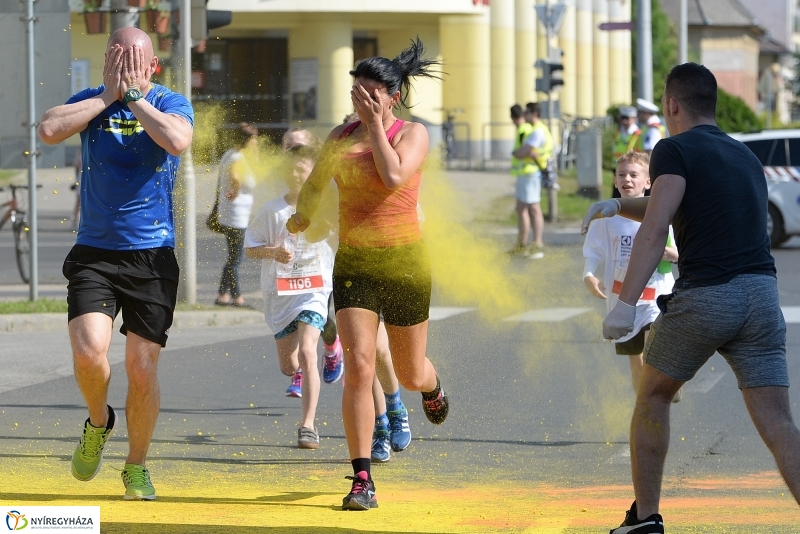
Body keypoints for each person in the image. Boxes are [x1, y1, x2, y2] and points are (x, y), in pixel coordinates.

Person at [582, 62, 800, 533]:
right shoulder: (742, 155)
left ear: (672, 104)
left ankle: (644, 518)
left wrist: (625, 305)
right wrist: (619, 205)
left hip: (708, 297)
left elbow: (658, 223)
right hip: (762, 297)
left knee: (653, 396)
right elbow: (675, 200)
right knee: (780, 424)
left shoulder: (672, 148)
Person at [286, 37, 449, 511]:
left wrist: (376, 125)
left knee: (410, 372)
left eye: (371, 92)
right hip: (356, 262)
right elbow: (314, 186)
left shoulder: (411, 133)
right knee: (359, 365)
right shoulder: (339, 138)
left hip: (405, 263)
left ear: (391, 95)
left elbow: (395, 176)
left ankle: (432, 387)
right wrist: (303, 214)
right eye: (357, 90)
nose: (362, 98)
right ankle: (362, 479)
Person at [37, 27, 193, 500]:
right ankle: (99, 422)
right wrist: (108, 95)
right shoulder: (91, 100)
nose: (124, 67)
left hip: (152, 254)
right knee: (89, 353)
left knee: (142, 368)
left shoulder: (170, 101)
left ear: (152, 67)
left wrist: (134, 99)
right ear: (106, 61)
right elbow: (47, 129)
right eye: (115, 59)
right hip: (95, 252)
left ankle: (136, 465)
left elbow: (178, 142)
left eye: (133, 61)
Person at [245, 145, 336, 449]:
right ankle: (318, 344)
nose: (298, 174)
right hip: (281, 294)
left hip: (314, 291)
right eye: (293, 168)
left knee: (310, 353)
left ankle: (307, 425)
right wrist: (274, 252)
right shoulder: (272, 210)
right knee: (289, 366)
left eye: (305, 169)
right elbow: (250, 247)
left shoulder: (325, 206)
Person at [582, 151, 678, 395]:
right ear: (615, 182)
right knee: (635, 361)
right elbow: (593, 250)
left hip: (656, 297)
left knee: (652, 351)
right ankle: (645, 404)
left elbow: (681, 252)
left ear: (648, 182)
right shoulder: (607, 218)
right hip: (623, 299)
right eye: (622, 175)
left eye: (634, 175)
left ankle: (661, 390)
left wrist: (670, 254)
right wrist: (589, 274)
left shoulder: (663, 216)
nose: (628, 179)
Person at [277, 128, 344, 397]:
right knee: (294, 319)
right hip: (290, 265)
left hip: (321, 263)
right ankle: (300, 370)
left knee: (318, 318)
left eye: (297, 146)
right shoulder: (282, 179)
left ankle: (327, 350)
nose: (290, 151)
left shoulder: (324, 182)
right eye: (286, 146)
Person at [214, 123, 258, 308]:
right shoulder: (237, 157)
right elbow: (235, 176)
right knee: (236, 258)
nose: (256, 144)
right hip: (236, 216)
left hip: (230, 213)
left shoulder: (228, 154)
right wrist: (236, 190)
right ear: (247, 141)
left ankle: (223, 295)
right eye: (254, 140)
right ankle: (237, 297)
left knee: (233, 256)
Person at [510, 102, 554, 259]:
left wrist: (517, 152)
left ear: (534, 113)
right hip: (528, 173)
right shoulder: (537, 130)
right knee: (521, 208)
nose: (524, 116)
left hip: (531, 173)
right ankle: (522, 244)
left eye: (527, 112)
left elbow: (525, 151)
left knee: (533, 209)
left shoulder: (538, 131)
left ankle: (537, 245)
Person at [610, 106, 641, 199]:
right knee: (617, 194)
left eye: (627, 118)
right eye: (622, 118)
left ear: (634, 119)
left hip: (632, 169)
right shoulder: (619, 133)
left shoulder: (638, 134)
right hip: (616, 167)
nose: (624, 121)